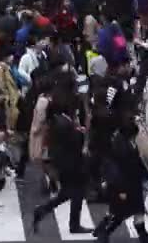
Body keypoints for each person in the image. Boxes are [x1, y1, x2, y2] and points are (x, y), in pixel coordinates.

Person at [32, 91, 92, 234]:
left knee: (66, 193)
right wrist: (82, 130)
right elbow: (77, 140)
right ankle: (73, 224)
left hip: (64, 162)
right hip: (70, 163)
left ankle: (42, 210)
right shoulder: (63, 123)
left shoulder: (58, 120)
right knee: (76, 192)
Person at [92, 114, 148, 243]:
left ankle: (143, 235)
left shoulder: (124, 142)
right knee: (120, 213)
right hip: (125, 185)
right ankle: (103, 234)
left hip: (133, 183)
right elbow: (122, 170)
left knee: (137, 209)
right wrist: (122, 190)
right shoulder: (122, 147)